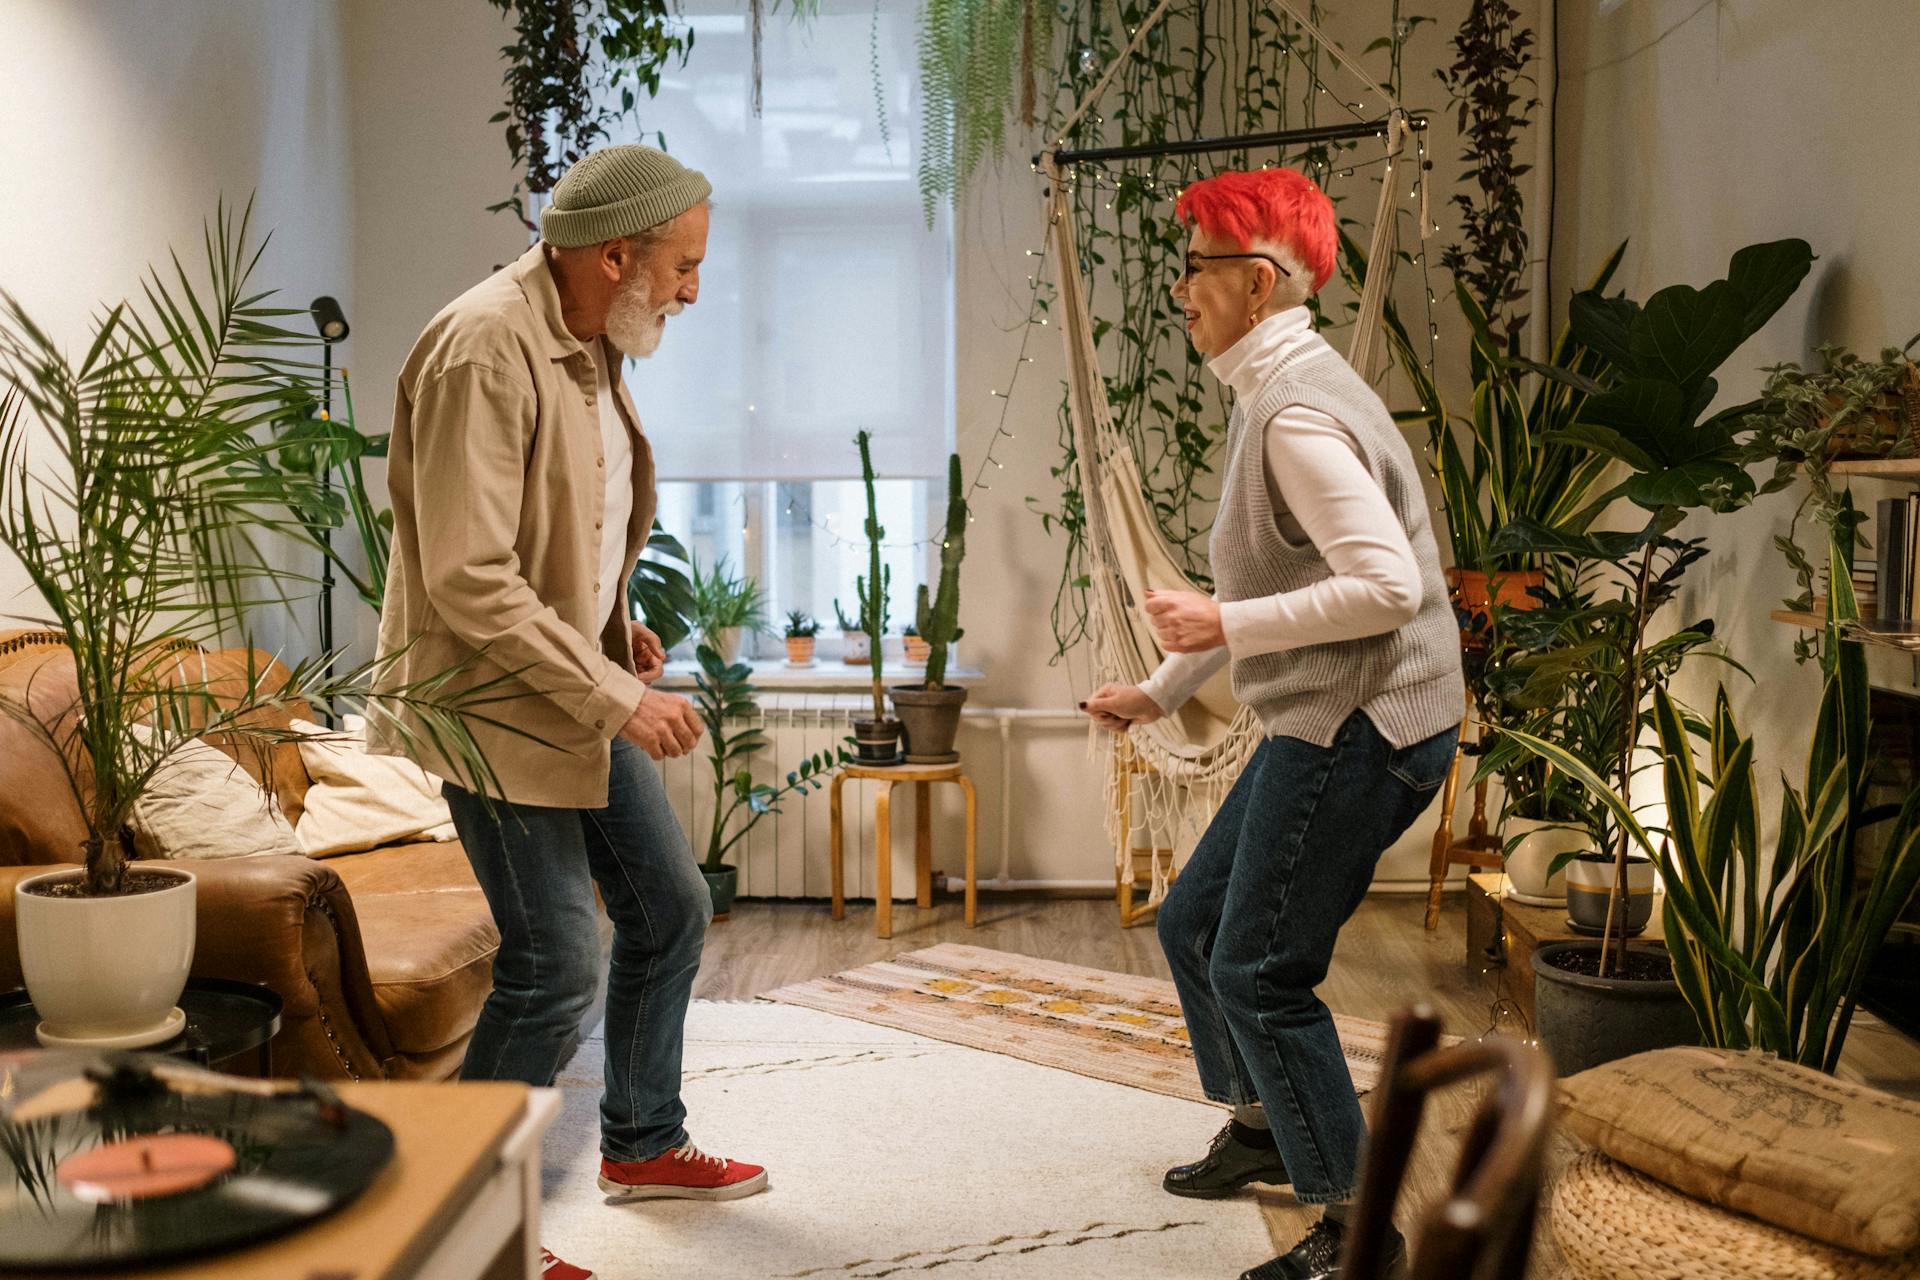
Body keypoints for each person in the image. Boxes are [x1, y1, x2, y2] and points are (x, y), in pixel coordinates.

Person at [371, 145, 766, 1280]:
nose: (693, 289)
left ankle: (641, 1143)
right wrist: (617, 693)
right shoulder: (485, 345)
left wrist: (614, 622)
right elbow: (469, 577)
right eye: (684, 266)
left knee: (669, 907)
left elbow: (569, 523)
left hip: (565, 682)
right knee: (551, 965)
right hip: (485, 706)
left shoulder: (591, 338)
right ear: (616, 254)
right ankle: (461, 1223)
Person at [1082, 167, 1463, 1280]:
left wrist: (1221, 618)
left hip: (1367, 724)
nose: (1179, 290)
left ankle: (1359, 1230)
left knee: (1259, 963)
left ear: (1256, 282)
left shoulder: (1296, 412)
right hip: (1328, 710)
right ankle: (1259, 1124)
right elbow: (1260, 585)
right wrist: (1158, 690)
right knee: (1195, 921)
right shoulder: (1276, 390)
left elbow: (1386, 587)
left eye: (1193, 269)